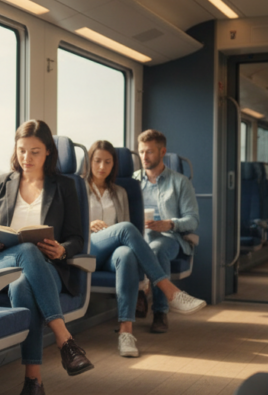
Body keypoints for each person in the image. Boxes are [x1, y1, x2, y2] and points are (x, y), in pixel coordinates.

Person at [0, 120, 92, 395]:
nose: (26, 158)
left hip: (47, 268)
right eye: (21, 151)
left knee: (24, 285)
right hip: (3, 262)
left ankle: (34, 384)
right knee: (25, 250)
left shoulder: (66, 186)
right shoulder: (0, 182)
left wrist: (63, 249)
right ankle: (65, 340)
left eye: (35, 152)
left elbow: (78, 238)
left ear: (48, 153)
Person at [86, 140, 206, 356]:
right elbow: (69, 227)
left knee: (126, 255)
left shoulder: (120, 192)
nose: (102, 167)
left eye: (107, 162)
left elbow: (123, 232)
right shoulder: (77, 188)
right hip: (89, 247)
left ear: (114, 165)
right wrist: (88, 225)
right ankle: (170, 291)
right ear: (89, 162)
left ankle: (126, 333)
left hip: (113, 251)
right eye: (97, 161)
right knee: (126, 229)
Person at [136, 129, 202, 333]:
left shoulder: (180, 182)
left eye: (149, 152)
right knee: (129, 248)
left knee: (156, 249)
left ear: (162, 151)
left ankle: (160, 311)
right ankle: (140, 292)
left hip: (168, 238)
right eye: (141, 152)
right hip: (138, 236)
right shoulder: (132, 181)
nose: (144, 157)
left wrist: (170, 224)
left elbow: (193, 220)